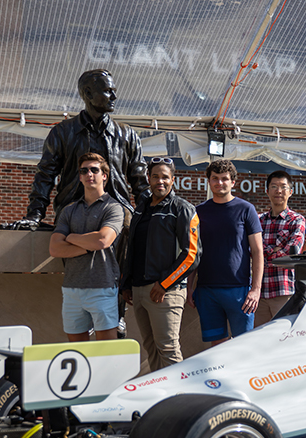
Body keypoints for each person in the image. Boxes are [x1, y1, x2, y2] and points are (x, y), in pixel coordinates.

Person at [16, 69, 147, 227]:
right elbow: (45, 176)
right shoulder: (62, 132)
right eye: (107, 91)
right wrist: (34, 214)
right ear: (88, 93)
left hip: (117, 206)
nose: (114, 97)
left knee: (126, 228)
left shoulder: (127, 135)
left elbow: (140, 181)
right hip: (73, 205)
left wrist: (151, 214)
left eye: (114, 91)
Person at [120, 157, 200, 370]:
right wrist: (127, 284)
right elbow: (133, 249)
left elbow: (191, 255)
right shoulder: (141, 209)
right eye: (155, 176)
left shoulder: (182, 208)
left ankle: (181, 400)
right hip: (138, 290)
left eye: (165, 177)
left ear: (173, 180)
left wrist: (164, 284)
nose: (160, 181)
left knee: (168, 348)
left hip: (166, 292)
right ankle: (160, 397)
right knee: (151, 348)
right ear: (149, 179)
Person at [49, 153, 124, 341]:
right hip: (71, 289)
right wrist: (88, 245)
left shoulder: (113, 207)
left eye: (94, 170)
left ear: (104, 175)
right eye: (84, 170)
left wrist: (72, 237)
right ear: (80, 177)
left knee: (106, 352)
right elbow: (55, 249)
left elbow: (103, 241)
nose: (89, 174)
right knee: (77, 353)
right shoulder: (69, 210)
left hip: (102, 287)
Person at [188, 159, 263, 345]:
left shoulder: (246, 210)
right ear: (209, 181)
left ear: (233, 182)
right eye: (215, 178)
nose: (219, 183)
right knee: (216, 347)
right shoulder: (198, 212)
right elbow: (193, 252)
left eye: (224, 179)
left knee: (243, 346)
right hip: (206, 291)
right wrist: (190, 287)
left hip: (239, 291)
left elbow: (258, 251)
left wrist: (255, 289)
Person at [254, 170, 306, 327]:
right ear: (267, 191)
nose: (278, 191)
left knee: (283, 338)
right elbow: (250, 250)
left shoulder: (297, 220)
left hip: (283, 291)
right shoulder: (257, 220)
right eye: (274, 186)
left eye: (283, 187)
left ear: (290, 192)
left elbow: (291, 255)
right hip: (259, 293)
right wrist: (275, 250)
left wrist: (262, 253)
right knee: (257, 341)